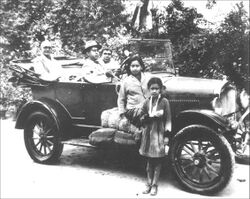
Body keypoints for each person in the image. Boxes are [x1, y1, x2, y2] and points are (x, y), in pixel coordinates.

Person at [139, 77, 172, 196]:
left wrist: (167, 136)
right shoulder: (147, 102)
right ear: (149, 89)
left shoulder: (164, 102)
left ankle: (154, 185)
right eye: (152, 88)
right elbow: (141, 116)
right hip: (148, 133)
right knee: (149, 160)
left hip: (159, 133)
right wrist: (146, 117)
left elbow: (168, 119)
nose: (154, 91)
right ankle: (148, 183)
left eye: (157, 89)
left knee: (157, 160)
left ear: (160, 89)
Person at [117, 54, 150, 126]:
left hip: (147, 108)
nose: (135, 68)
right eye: (132, 66)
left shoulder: (147, 77)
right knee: (146, 117)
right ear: (129, 67)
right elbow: (121, 99)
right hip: (133, 110)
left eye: (137, 66)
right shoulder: (126, 81)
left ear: (141, 67)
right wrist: (122, 115)